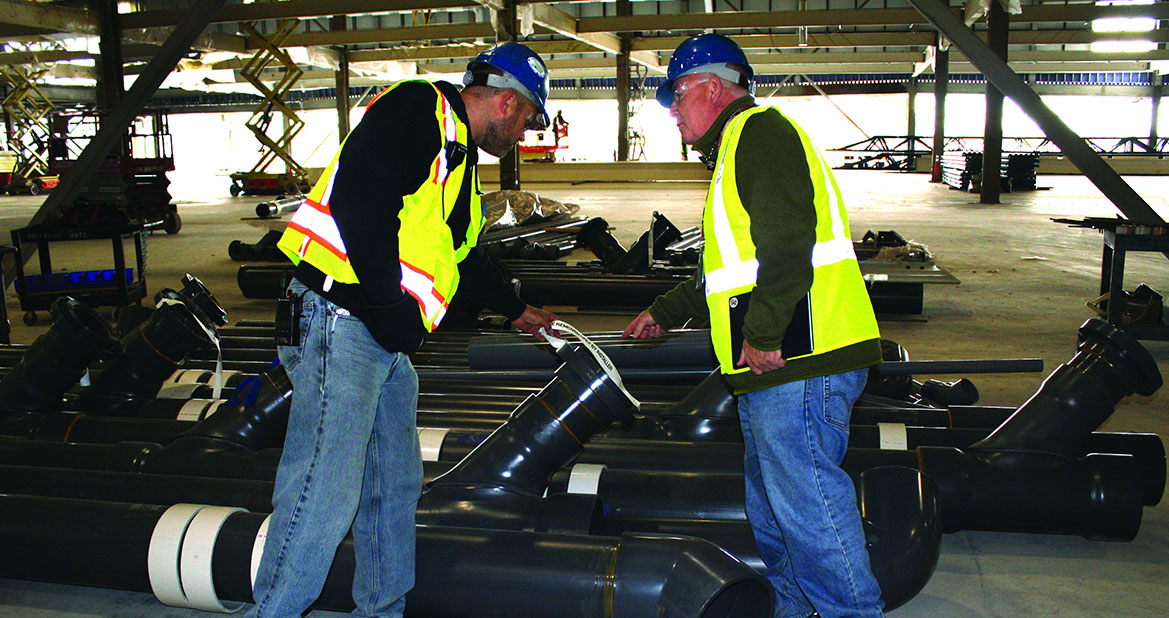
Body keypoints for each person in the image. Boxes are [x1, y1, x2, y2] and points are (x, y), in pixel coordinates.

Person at [249, 42, 558, 618]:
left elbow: (462, 259)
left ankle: (383, 609)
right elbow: (360, 203)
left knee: (392, 486)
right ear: (508, 103)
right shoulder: (419, 109)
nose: (524, 135)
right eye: (528, 121)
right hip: (340, 320)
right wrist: (390, 313)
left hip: (380, 338)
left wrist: (517, 310)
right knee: (324, 488)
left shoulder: (459, 165)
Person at [623, 34, 885, 618]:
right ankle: (795, 609)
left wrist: (765, 335)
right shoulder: (735, 150)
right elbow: (720, 273)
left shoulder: (761, 133)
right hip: (772, 367)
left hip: (800, 359)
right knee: (773, 509)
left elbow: (790, 243)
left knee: (808, 504)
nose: (672, 108)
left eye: (677, 93)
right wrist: (662, 314)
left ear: (713, 88)